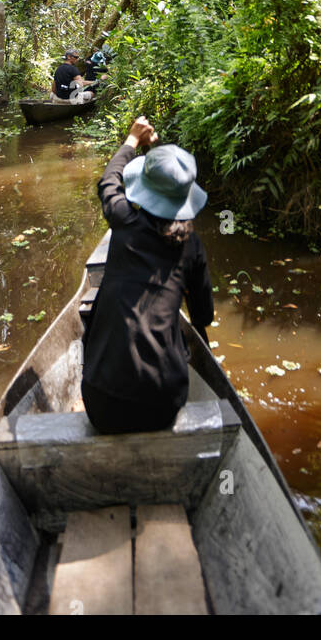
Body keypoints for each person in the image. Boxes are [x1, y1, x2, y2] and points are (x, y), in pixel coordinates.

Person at [81, 116, 214, 435]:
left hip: (101, 406)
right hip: (162, 407)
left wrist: (132, 140)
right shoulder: (191, 247)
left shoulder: (123, 219)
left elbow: (109, 180)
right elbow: (202, 315)